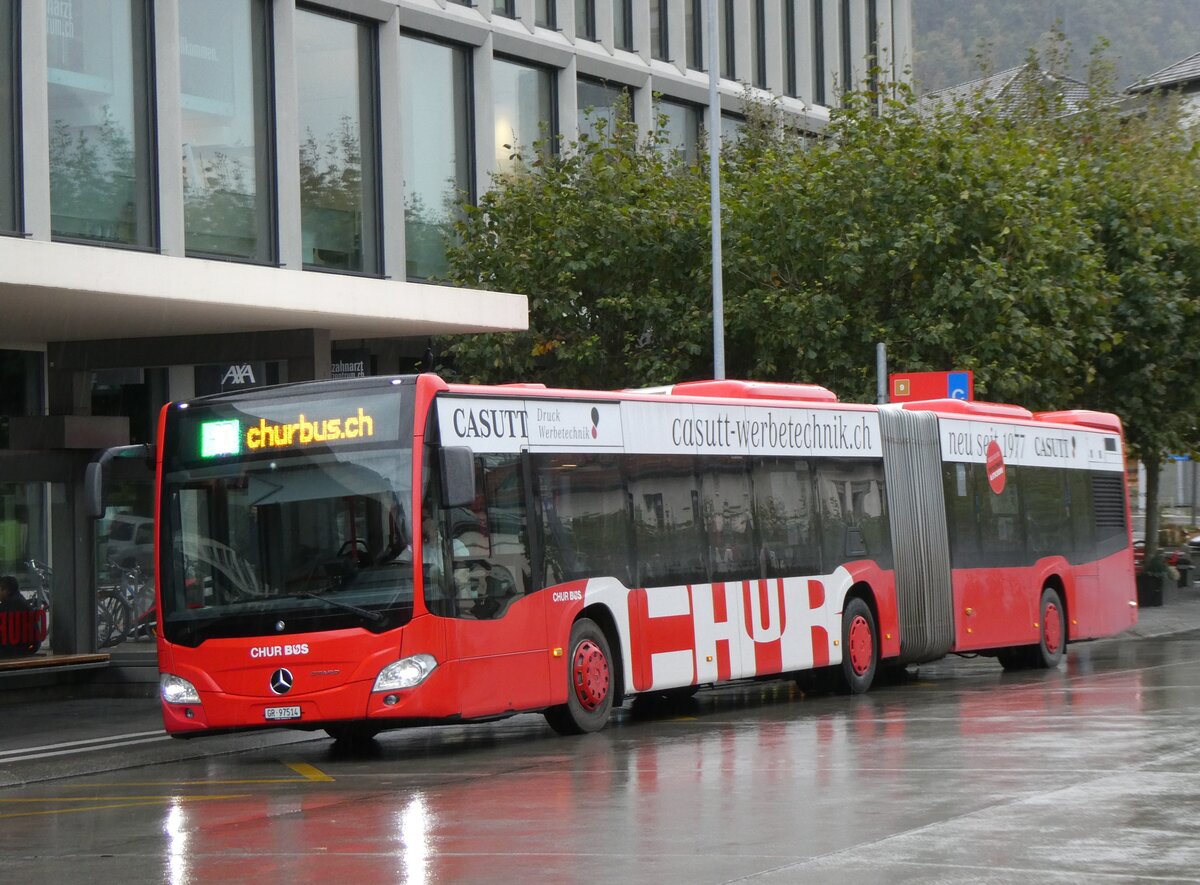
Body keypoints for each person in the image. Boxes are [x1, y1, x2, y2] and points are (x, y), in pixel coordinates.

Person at [0, 573, 43, 657]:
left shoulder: (10, 604)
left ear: (6, 590)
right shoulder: (19, 600)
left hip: (20, 648)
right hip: (29, 646)